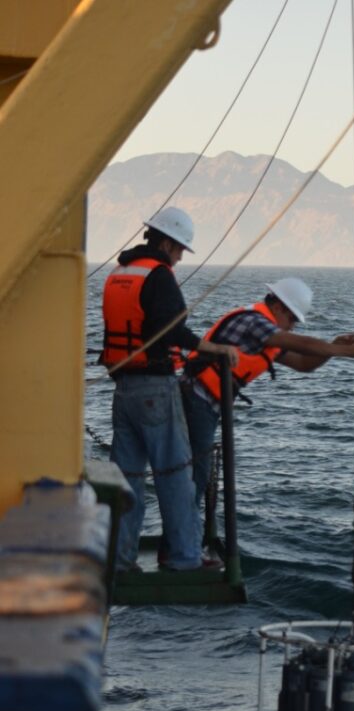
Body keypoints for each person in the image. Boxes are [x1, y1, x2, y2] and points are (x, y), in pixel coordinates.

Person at [101, 206, 236, 571]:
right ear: (165, 242)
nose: (178, 258)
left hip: (123, 389)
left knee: (126, 479)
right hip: (155, 388)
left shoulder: (119, 274)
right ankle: (186, 557)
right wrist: (217, 349)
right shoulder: (158, 276)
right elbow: (172, 332)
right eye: (178, 250)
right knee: (176, 474)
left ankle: (119, 558)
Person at [180, 277, 354, 509]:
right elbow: (297, 343)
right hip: (196, 399)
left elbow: (303, 363)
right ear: (279, 306)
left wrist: (332, 348)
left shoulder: (266, 334)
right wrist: (344, 350)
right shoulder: (255, 322)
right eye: (292, 318)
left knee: (196, 475)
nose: (292, 325)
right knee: (196, 476)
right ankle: (182, 539)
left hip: (205, 405)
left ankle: (182, 535)